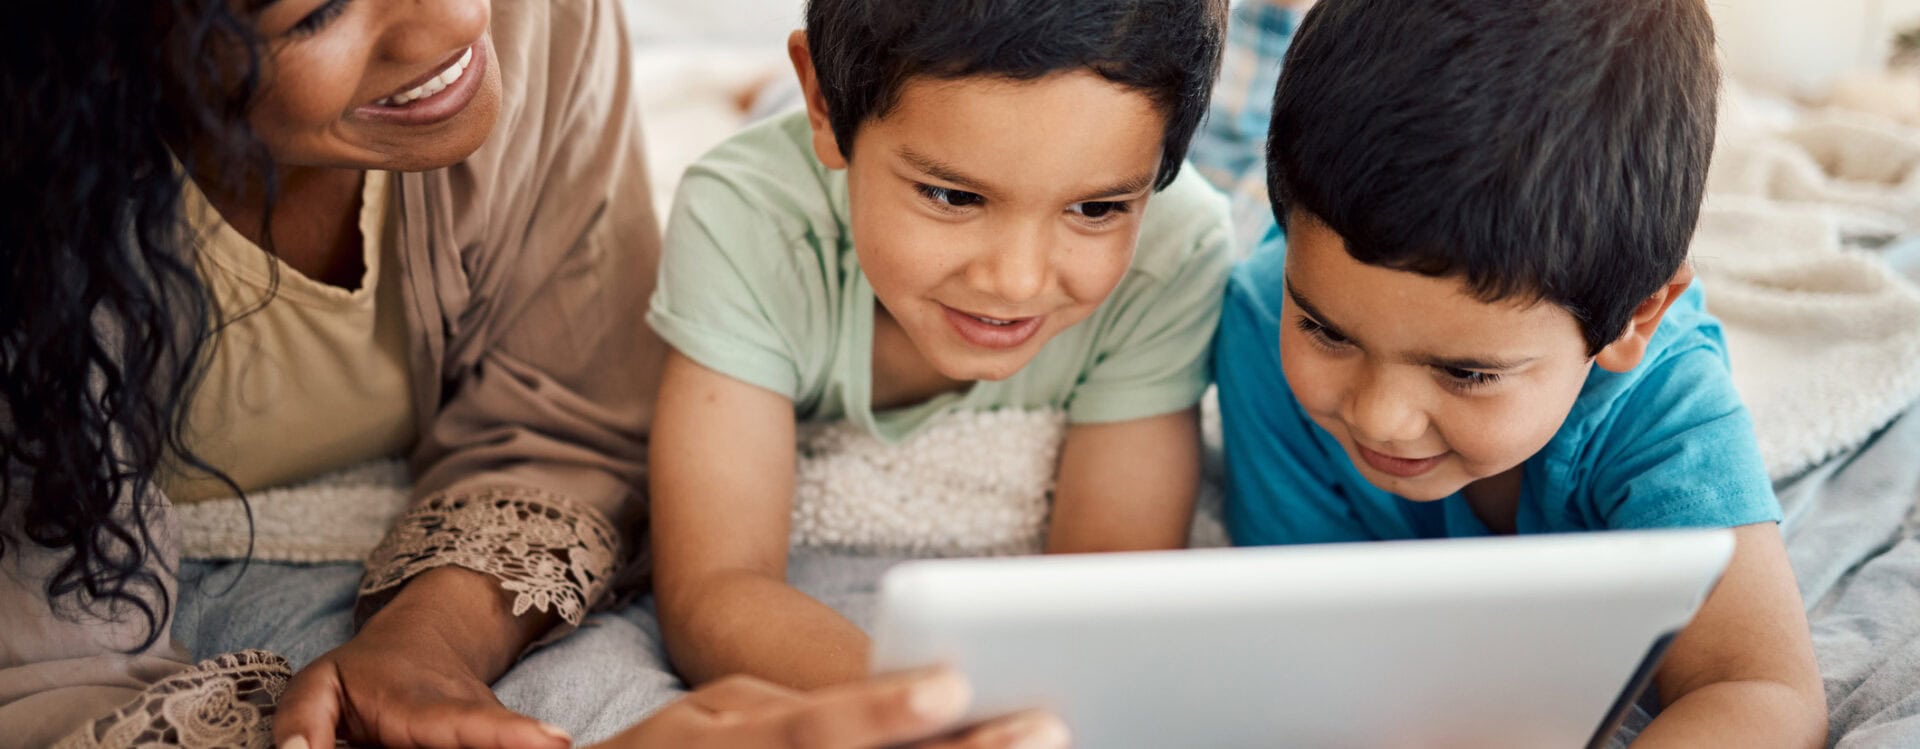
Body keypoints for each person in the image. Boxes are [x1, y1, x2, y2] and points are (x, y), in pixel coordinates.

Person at [0, 1, 1062, 747]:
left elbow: (573, 406)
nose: (458, 22)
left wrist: (426, 640)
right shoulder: (37, 222)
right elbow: (41, 679)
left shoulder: (530, 16)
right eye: (318, 10)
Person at [1211, 0, 1828, 745]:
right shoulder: (1256, 321)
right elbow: (1305, 639)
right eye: (1325, 330)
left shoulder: (1661, 406)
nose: (1379, 416)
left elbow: (1759, 687)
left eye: (1467, 372)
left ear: (1635, 319)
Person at [646, 0, 1234, 692]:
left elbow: (1102, 587)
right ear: (825, 106)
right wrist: (933, 713)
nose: (1016, 282)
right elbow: (712, 589)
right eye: (953, 197)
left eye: (1097, 209)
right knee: (771, 115)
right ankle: (764, 91)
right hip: (810, 140)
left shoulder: (1177, 246)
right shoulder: (743, 218)